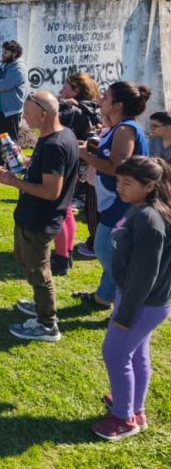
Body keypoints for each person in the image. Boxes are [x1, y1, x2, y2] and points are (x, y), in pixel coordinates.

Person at [91, 156, 171, 441]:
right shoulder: (139, 208)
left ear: (150, 186)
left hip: (142, 303)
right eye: (118, 181)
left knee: (115, 352)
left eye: (127, 183)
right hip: (138, 298)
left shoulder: (150, 220)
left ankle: (124, 420)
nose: (120, 188)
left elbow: (145, 275)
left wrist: (125, 314)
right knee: (136, 352)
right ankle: (134, 406)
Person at [0, 91, 79, 342]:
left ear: (44, 114)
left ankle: (47, 324)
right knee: (25, 260)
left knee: (39, 273)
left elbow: (52, 192)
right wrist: (24, 159)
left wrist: (12, 181)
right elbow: (43, 167)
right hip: (30, 216)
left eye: (28, 114)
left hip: (40, 220)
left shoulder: (54, 145)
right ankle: (40, 304)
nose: (24, 119)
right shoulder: (55, 135)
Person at [74, 82, 150, 309]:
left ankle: (132, 295)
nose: (100, 100)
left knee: (105, 248)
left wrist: (84, 154)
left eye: (105, 97)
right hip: (116, 197)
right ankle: (104, 297)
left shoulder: (126, 129)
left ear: (118, 105)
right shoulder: (120, 127)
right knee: (115, 250)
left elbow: (118, 167)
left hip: (123, 200)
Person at [53, 72, 101, 274]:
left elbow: (52, 127)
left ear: (76, 91)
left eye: (66, 86)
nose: (62, 89)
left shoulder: (72, 110)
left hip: (65, 162)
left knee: (59, 209)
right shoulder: (94, 109)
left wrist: (60, 104)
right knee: (68, 208)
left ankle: (62, 257)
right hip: (82, 164)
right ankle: (67, 251)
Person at [0, 40, 27, 172]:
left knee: (9, 140)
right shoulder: (3, 66)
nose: (3, 55)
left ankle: (14, 166)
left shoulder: (19, 68)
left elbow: (5, 85)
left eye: (6, 52)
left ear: (14, 53)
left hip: (10, 110)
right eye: (3, 51)